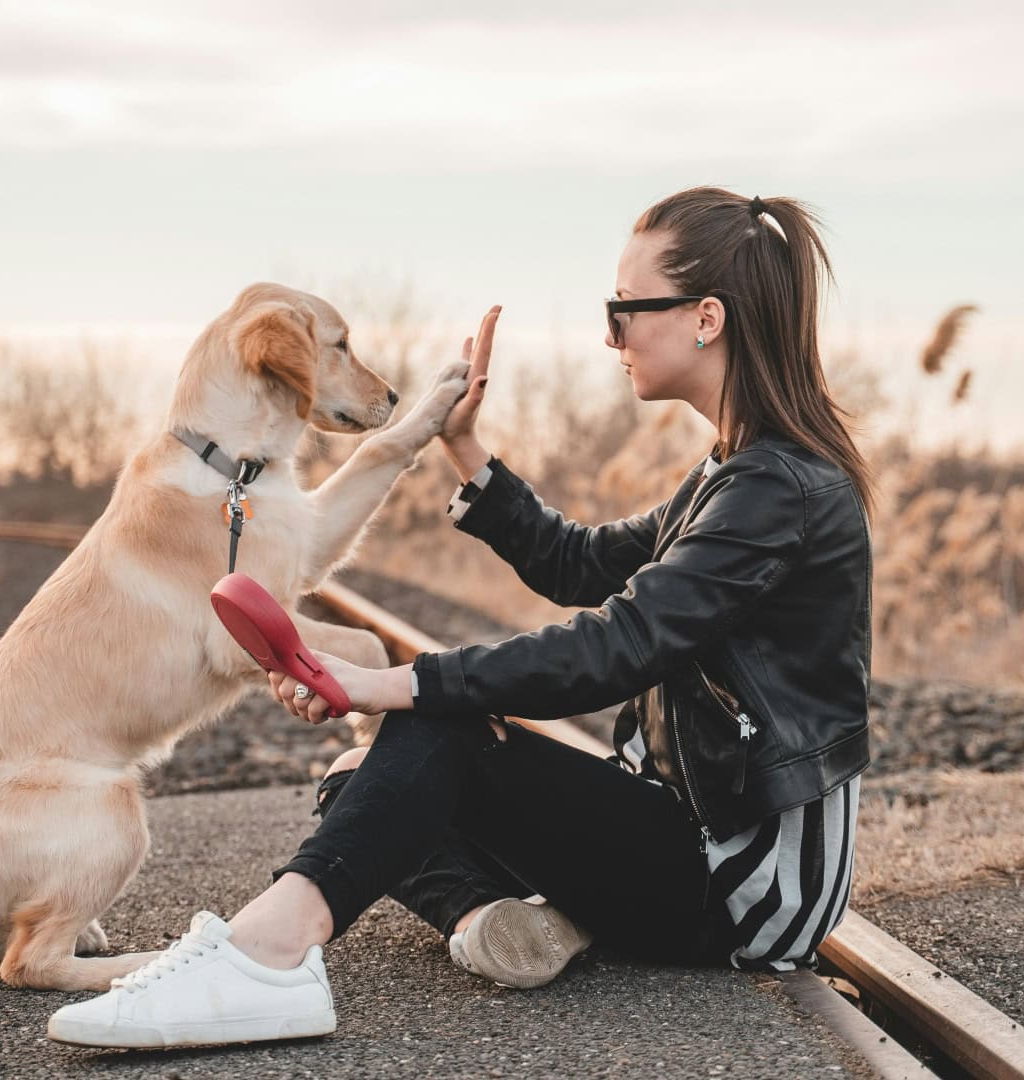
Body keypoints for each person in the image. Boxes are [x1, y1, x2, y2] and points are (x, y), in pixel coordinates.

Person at [48, 186, 876, 1050]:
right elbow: (580, 564)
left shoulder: (775, 490)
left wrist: (395, 682)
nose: (609, 336)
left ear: (705, 318)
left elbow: (618, 645)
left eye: (623, 310)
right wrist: (463, 445)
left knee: (429, 738)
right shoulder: (733, 475)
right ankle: (499, 921)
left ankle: (266, 956)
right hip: (683, 833)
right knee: (360, 783)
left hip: (745, 882)